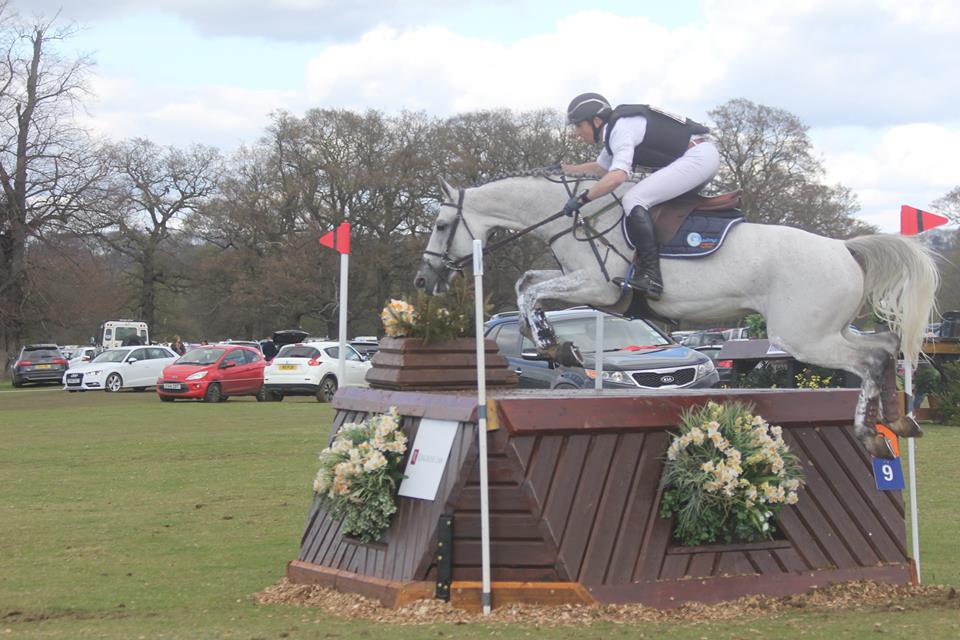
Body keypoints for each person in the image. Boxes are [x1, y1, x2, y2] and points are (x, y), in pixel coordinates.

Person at [561, 93, 720, 300]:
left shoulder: (620, 128)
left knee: (633, 199)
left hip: (698, 157)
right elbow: (601, 168)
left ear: (596, 121)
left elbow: (617, 177)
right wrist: (564, 170)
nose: (576, 133)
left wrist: (582, 199)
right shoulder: (614, 132)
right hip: (700, 156)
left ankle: (651, 276)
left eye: (578, 126)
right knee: (641, 198)